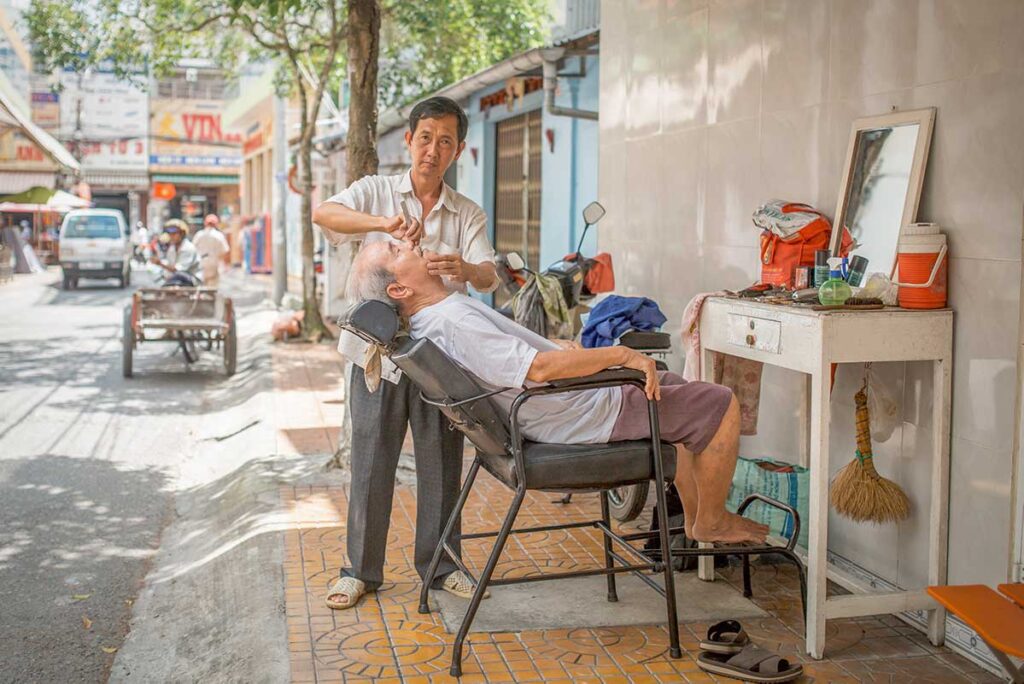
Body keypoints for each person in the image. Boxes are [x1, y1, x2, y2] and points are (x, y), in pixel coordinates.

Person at [349, 239, 772, 546]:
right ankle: (710, 520)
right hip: (578, 409)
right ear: (399, 290)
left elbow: (515, 358)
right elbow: (537, 369)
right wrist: (620, 355)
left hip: (559, 404)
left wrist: (555, 347)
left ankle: (696, 520)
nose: (410, 242)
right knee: (721, 403)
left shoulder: (438, 317)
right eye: (397, 250)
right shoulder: (454, 322)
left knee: (673, 390)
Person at [312, 96, 500, 611]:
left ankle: (443, 567)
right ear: (409, 140)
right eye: (426, 138)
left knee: (442, 463)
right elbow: (324, 213)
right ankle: (359, 571)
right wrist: (381, 224)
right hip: (376, 352)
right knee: (371, 461)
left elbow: (489, 274)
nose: (433, 150)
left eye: (445, 141)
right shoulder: (376, 190)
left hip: (440, 356)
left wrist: (464, 269)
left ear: (458, 150)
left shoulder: (467, 213)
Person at [151, 219, 201, 286]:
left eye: (174, 234)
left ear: (182, 234)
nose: (171, 236)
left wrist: (160, 263)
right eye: (170, 234)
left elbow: (179, 270)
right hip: (177, 279)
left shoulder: (188, 248)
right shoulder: (172, 248)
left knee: (178, 275)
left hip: (191, 279)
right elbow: (170, 266)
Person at [193, 214, 229, 287]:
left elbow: (193, 249)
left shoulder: (199, 234)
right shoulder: (219, 235)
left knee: (201, 286)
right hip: (214, 264)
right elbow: (225, 250)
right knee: (212, 287)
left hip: (201, 263)